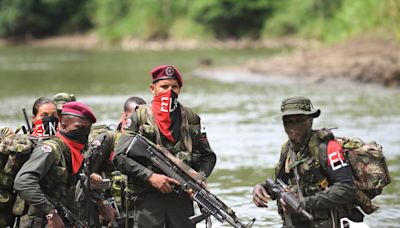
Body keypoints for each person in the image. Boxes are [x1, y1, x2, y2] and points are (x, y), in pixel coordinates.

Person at [113, 65, 217, 228]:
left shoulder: (190, 118)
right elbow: (119, 157)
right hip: (147, 197)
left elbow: (208, 157)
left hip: (181, 197)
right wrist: (150, 177)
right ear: (153, 88)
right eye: (164, 87)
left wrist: (198, 179)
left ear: (180, 89)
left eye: (174, 87)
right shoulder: (139, 117)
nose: (169, 91)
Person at [253, 96, 360, 228]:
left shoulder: (328, 148)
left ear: (310, 120)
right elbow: (281, 186)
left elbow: (346, 188)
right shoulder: (287, 149)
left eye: (299, 121)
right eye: (288, 122)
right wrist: (263, 189)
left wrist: (304, 203)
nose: (294, 127)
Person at [14, 101, 115, 227]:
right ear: (63, 126)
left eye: (87, 128)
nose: (84, 132)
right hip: (40, 222)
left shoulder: (74, 151)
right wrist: (51, 213)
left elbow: (76, 183)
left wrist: (101, 203)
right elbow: (23, 181)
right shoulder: (50, 150)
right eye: (79, 128)